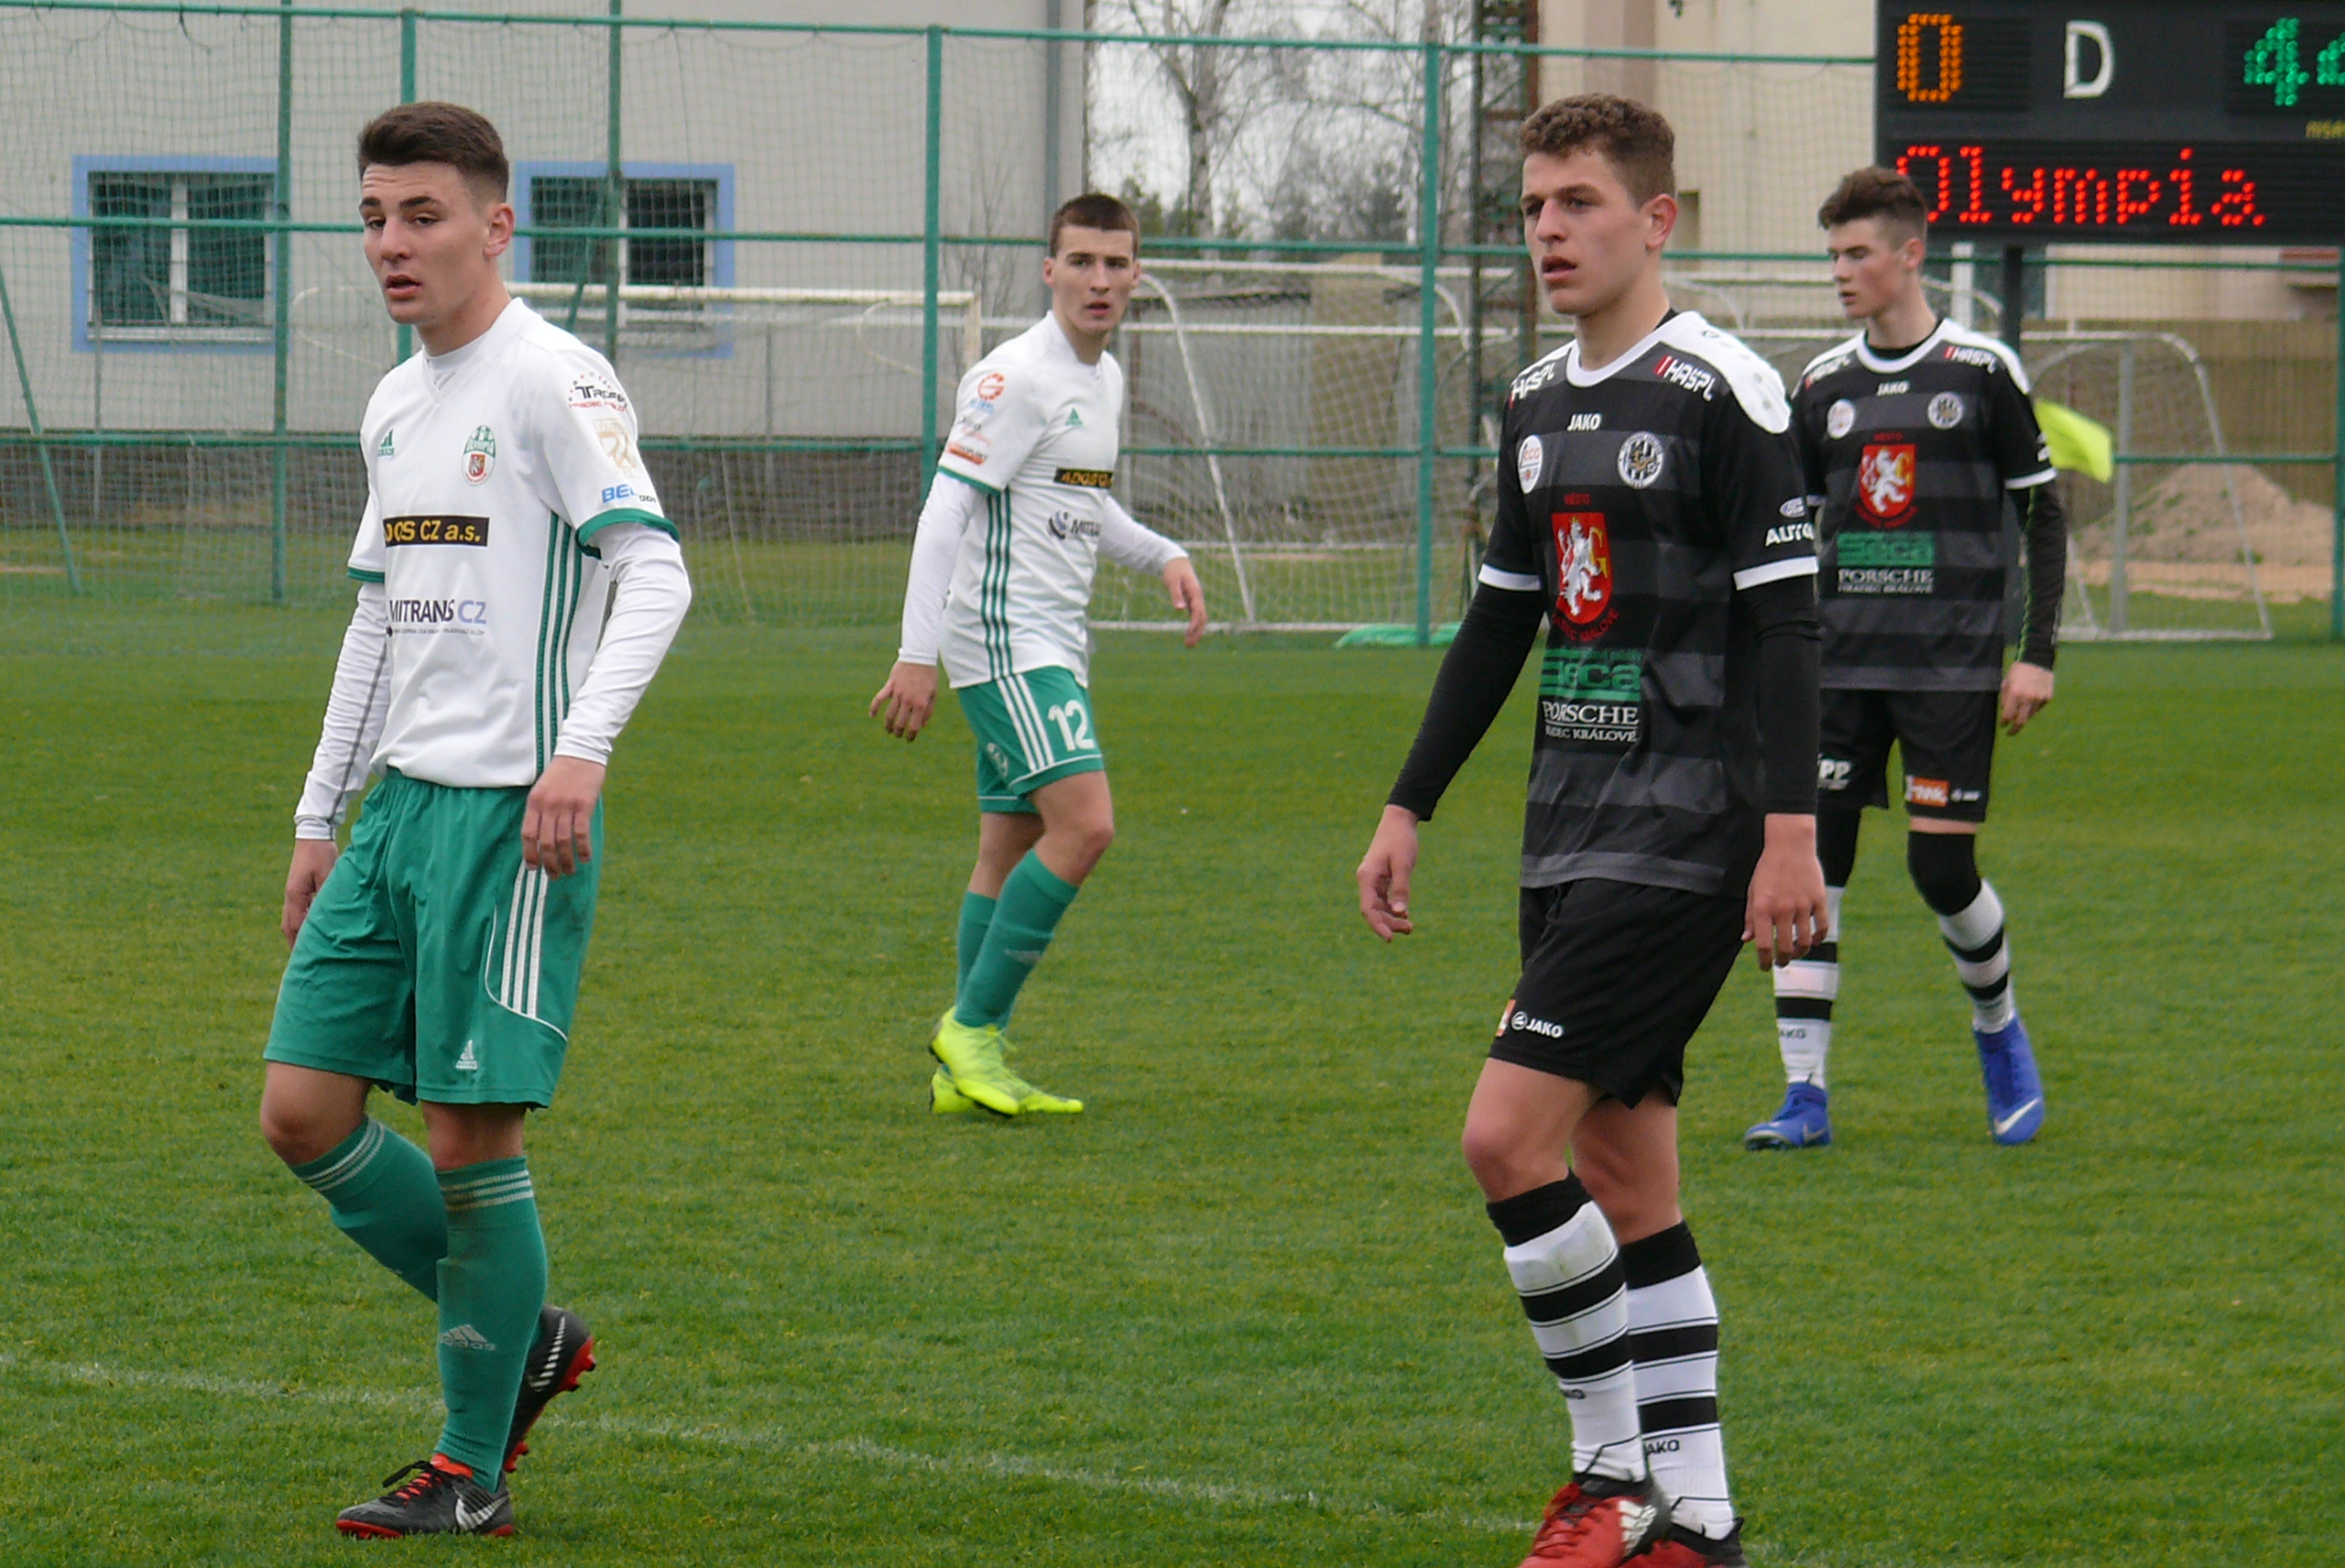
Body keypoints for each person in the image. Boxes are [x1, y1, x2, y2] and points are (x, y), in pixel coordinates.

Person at [1355, 94, 1825, 1568]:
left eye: (1578, 203)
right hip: (1568, 828)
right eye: (1534, 207)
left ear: (1655, 218)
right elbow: (1502, 626)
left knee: (1504, 1140)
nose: (1548, 230)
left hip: (1689, 835)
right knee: (1628, 1185)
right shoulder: (1535, 403)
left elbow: (1789, 630)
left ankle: (1611, 1481)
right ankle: (1704, 1523)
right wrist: (1411, 803)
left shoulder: (1724, 391)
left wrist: (1792, 835)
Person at [256, 102, 692, 1536]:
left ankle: (469, 1468)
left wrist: (580, 754)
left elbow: (655, 574)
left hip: (514, 821)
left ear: (497, 226)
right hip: (397, 817)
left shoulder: (555, 379)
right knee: (302, 1113)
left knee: (467, 1146)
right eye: (375, 217)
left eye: (423, 215)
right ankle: (529, 1335)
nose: (392, 243)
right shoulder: (396, 402)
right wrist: (321, 812)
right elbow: (378, 620)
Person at [1742, 167, 2065, 1153]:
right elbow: (1789, 532)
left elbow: (2044, 516)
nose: (1840, 272)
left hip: (1949, 667)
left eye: (1857, 254)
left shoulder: (1981, 369)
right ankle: (1803, 1094)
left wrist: (2035, 653)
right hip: (1835, 669)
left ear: (1910, 254)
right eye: (1832, 255)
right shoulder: (1821, 386)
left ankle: (1998, 1028)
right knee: (1815, 870)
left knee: (1941, 867)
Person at [871, 191, 1206, 1117]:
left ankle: (963, 1070)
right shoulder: (1013, 376)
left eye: (1116, 264)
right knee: (1086, 824)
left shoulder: (1104, 380)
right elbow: (945, 508)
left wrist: (1164, 555)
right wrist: (916, 653)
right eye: (1082, 262)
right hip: (1006, 637)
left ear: (1136, 275)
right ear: (1049, 271)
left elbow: (1084, 502)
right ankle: (972, 1027)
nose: (1099, 280)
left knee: (1009, 843)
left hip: (1053, 638)